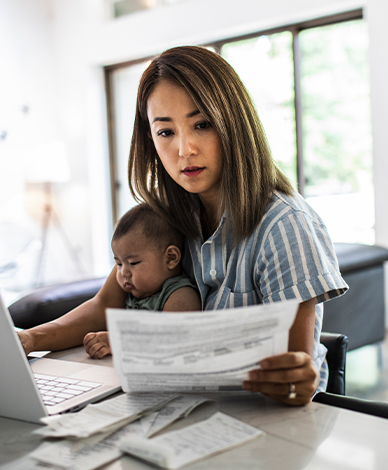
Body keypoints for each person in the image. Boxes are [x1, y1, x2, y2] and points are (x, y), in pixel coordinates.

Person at [18, 45, 347, 405]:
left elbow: (293, 375)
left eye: (202, 125)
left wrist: (297, 378)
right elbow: (105, 306)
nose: (184, 149)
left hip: (258, 417)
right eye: (165, 132)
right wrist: (29, 340)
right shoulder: (162, 216)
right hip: (177, 404)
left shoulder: (285, 226)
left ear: (234, 124)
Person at [82, 203, 201, 359]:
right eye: (118, 263)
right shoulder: (133, 294)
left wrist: (116, 340)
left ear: (171, 258)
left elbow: (171, 340)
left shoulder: (180, 295)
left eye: (133, 263)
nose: (123, 272)